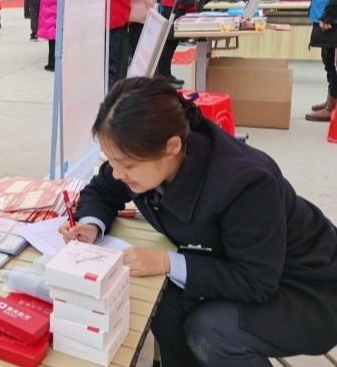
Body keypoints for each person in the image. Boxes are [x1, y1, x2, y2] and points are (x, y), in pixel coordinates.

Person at [61, 76, 337, 367]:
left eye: (125, 165)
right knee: (163, 304)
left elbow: (255, 280)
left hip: (307, 289)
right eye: (111, 160)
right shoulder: (144, 153)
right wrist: (90, 226)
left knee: (211, 330)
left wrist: (167, 263)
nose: (117, 173)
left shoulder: (244, 184)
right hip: (244, 266)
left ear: (171, 147)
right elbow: (103, 188)